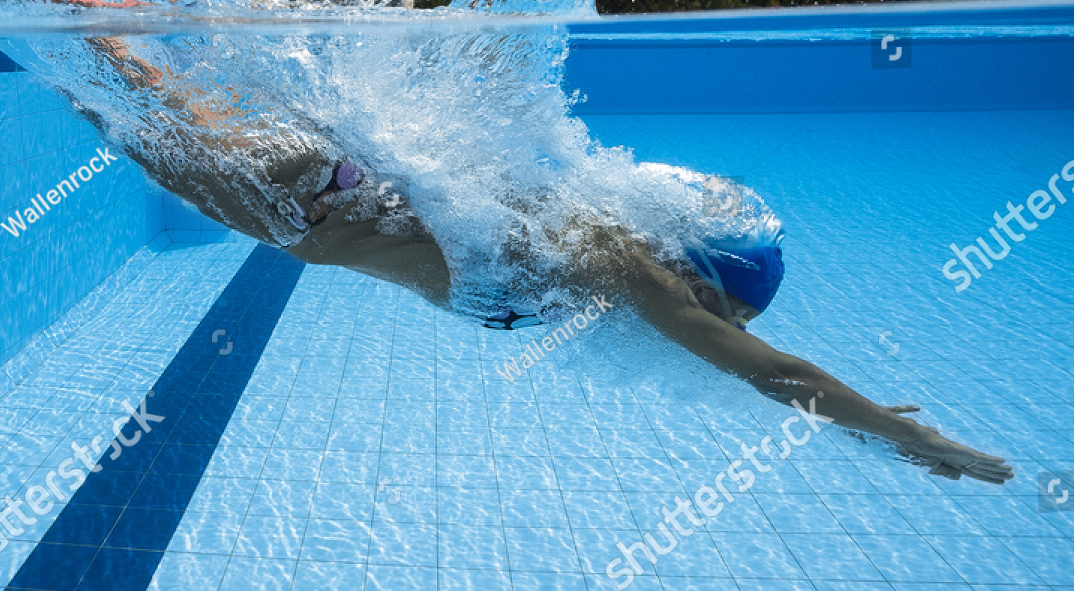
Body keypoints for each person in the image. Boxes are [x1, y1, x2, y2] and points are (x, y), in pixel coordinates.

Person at [70, 36, 1014, 486]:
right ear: (702, 281)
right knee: (123, 107)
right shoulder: (631, 265)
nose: (719, 338)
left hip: (325, 185)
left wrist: (866, 428)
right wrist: (922, 441)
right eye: (727, 316)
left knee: (129, 105)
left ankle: (58, 7)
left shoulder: (614, 259)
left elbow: (764, 379)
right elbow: (774, 375)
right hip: (311, 202)